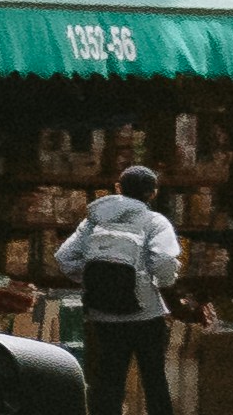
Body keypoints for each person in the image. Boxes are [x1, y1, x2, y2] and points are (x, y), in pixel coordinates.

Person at [57, 159, 182, 415]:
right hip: (145, 314)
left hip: (102, 315)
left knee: (108, 381)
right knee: (154, 379)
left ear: (117, 188)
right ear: (153, 192)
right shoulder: (155, 222)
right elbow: (165, 261)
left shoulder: (93, 221)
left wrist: (93, 280)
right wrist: (156, 283)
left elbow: (64, 258)